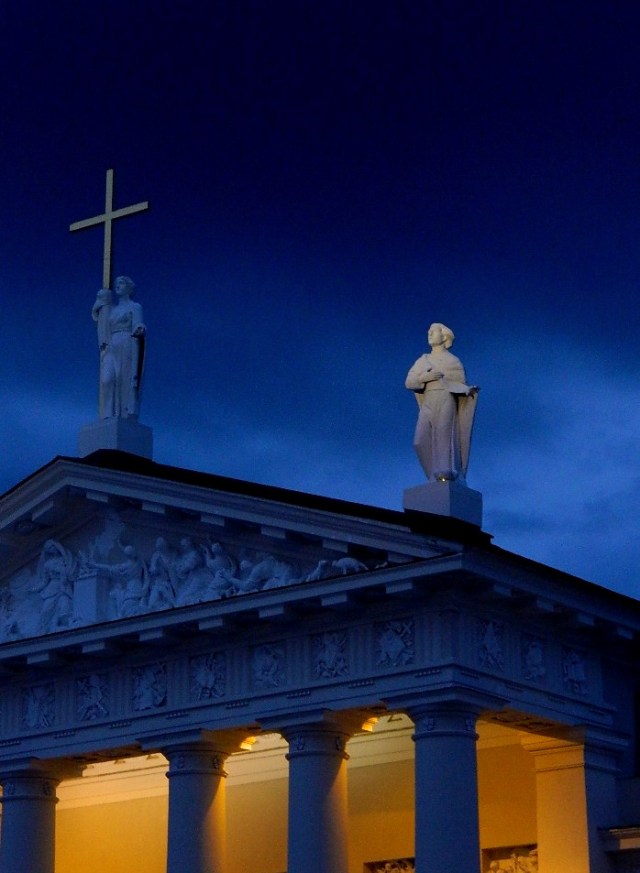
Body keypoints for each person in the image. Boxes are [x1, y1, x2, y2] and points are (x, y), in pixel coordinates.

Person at [405, 323, 478, 483]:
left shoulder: (454, 361)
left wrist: (467, 390)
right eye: (428, 331)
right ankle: (433, 475)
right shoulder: (423, 360)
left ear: (444, 337)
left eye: (433, 331)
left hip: (446, 399)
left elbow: (458, 383)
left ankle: (444, 473)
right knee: (419, 441)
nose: (429, 334)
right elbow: (409, 383)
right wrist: (424, 378)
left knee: (444, 436)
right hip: (428, 401)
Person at [95, 276, 146, 419]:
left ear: (129, 288)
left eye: (121, 283)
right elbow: (101, 322)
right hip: (112, 345)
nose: (118, 285)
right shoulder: (111, 309)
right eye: (117, 283)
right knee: (107, 379)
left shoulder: (135, 307)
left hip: (127, 343)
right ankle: (108, 413)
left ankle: (123, 414)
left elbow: (138, 324)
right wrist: (100, 303)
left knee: (124, 379)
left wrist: (140, 328)